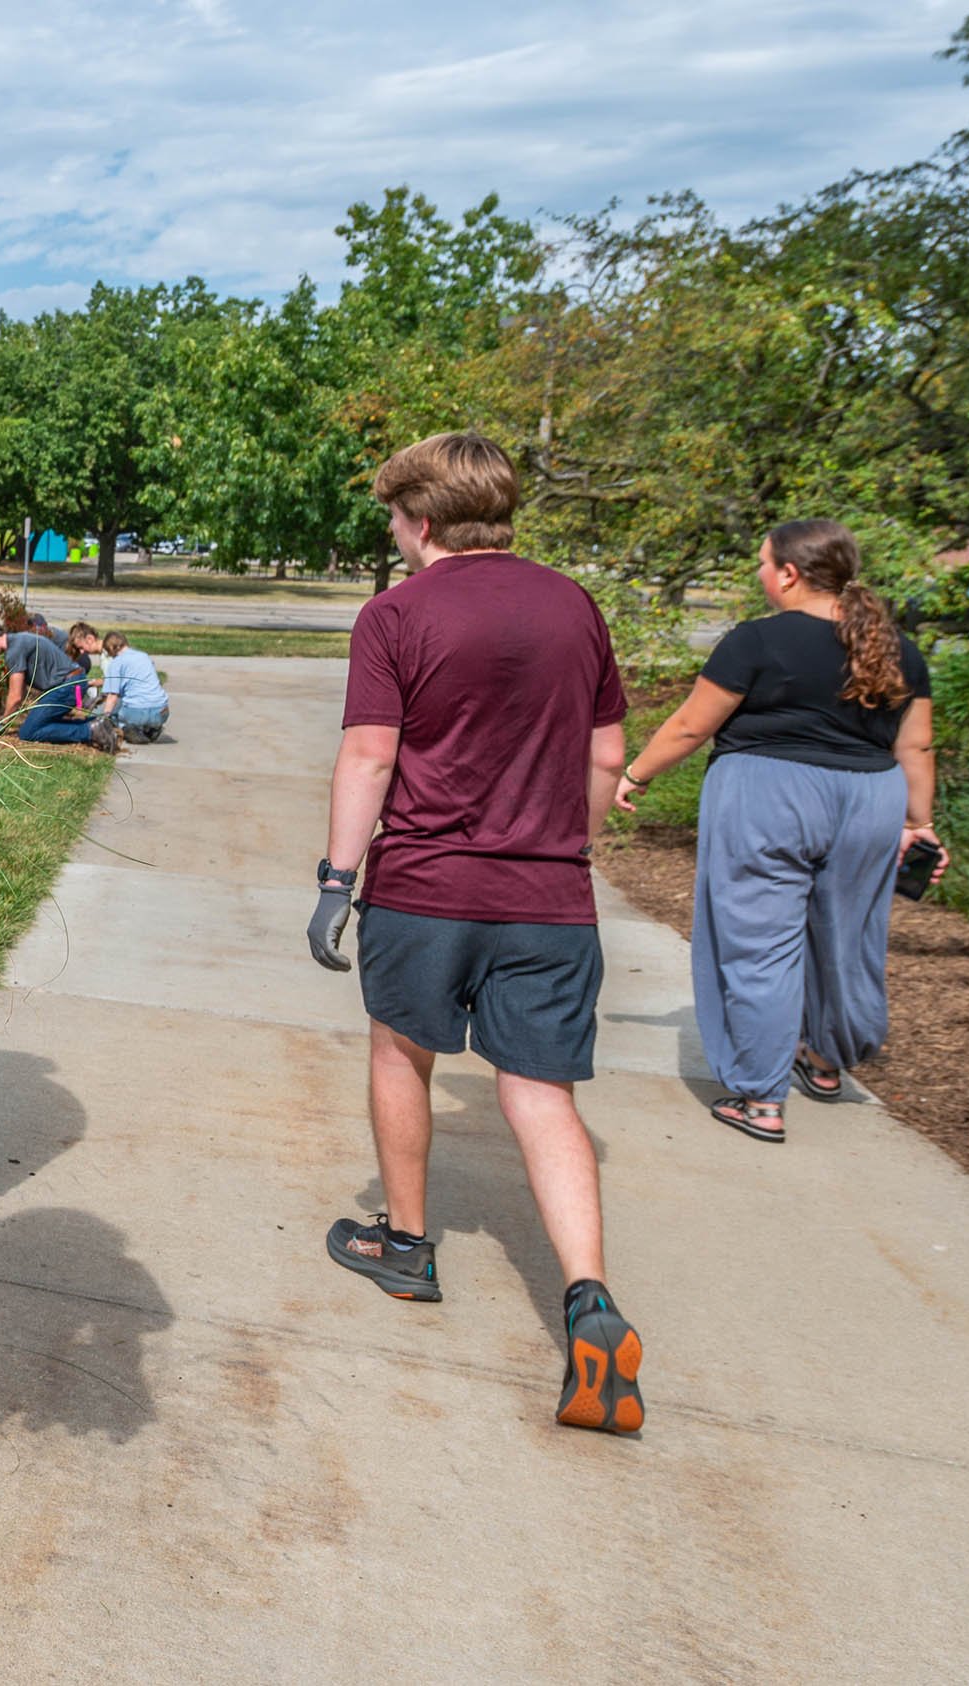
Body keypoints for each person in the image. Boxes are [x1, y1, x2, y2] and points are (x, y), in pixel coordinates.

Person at [306, 430, 645, 1437]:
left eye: (395, 522)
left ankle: (408, 1248)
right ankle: (590, 1300)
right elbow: (607, 751)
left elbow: (371, 758)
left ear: (420, 519)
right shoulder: (572, 607)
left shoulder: (397, 613)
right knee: (542, 1092)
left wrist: (336, 879)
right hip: (549, 897)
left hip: (425, 888)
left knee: (401, 1055)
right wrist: (565, 848)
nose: (396, 539)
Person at [615, 518, 947, 1142]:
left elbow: (691, 726)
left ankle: (761, 1099)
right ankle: (825, 1062)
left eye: (763, 564)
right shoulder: (895, 647)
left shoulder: (756, 641)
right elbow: (918, 745)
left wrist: (634, 775)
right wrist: (918, 823)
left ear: (789, 574)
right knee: (850, 936)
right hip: (870, 799)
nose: (760, 574)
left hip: (768, 794)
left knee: (758, 944)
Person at [0, 620, 95, 746]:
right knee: (43, 722)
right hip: (74, 681)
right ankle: (95, 723)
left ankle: (90, 731)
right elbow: (20, 692)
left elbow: (15, 696)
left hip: (68, 685)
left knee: (28, 732)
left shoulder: (14, 651)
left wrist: (2, 723)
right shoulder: (19, 639)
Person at [99, 630, 170, 742]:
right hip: (162, 710)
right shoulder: (144, 656)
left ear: (111, 650)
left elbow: (112, 696)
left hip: (136, 713)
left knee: (114, 713)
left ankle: (127, 729)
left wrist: (103, 718)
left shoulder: (116, 663)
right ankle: (152, 728)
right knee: (145, 708)